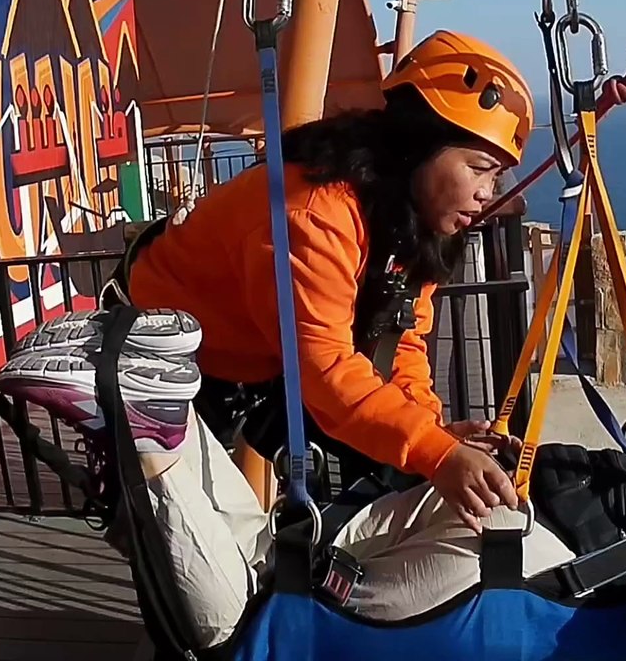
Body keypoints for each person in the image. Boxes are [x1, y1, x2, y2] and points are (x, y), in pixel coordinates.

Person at [0, 308, 626, 660]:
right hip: (516, 594)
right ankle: (149, 424)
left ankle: (155, 387)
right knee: (254, 632)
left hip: (513, 525)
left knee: (280, 562)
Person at [105, 29, 538, 525]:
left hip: (255, 357)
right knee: (186, 536)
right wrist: (434, 451)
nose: (487, 193)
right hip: (165, 355)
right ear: (421, 144)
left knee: (384, 464)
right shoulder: (318, 211)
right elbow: (328, 371)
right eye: (479, 168)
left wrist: (432, 432)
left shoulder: (407, 220)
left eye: (496, 177)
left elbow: (404, 337)